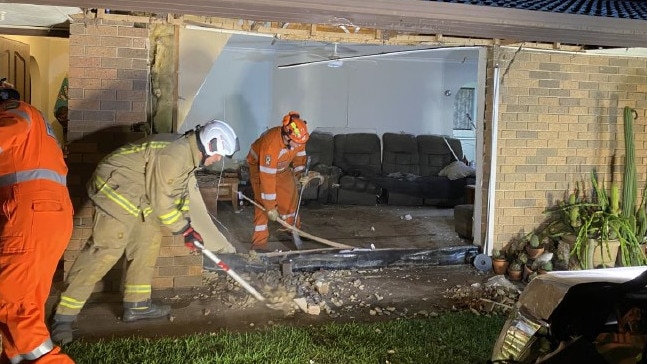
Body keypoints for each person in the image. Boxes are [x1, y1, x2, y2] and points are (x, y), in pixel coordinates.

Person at [50, 120, 239, 345]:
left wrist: (187, 226)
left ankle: (137, 305)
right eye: (218, 154)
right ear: (210, 145)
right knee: (107, 249)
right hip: (116, 189)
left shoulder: (189, 156)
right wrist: (183, 229)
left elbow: (177, 194)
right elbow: (162, 204)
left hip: (139, 193)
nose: (218, 160)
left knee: (148, 239)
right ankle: (63, 316)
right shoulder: (176, 154)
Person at [0, 79, 75, 362]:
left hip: (29, 217)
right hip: (44, 217)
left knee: (14, 306)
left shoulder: (13, 111)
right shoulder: (29, 121)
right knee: (21, 310)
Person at [246, 111, 320, 251]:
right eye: (297, 142)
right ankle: (259, 243)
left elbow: (299, 156)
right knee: (262, 204)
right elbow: (267, 179)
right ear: (287, 136)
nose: (300, 144)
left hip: (282, 168)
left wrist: (299, 174)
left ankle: (292, 231)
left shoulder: (298, 139)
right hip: (260, 167)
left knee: (290, 198)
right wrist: (270, 207)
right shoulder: (271, 144)